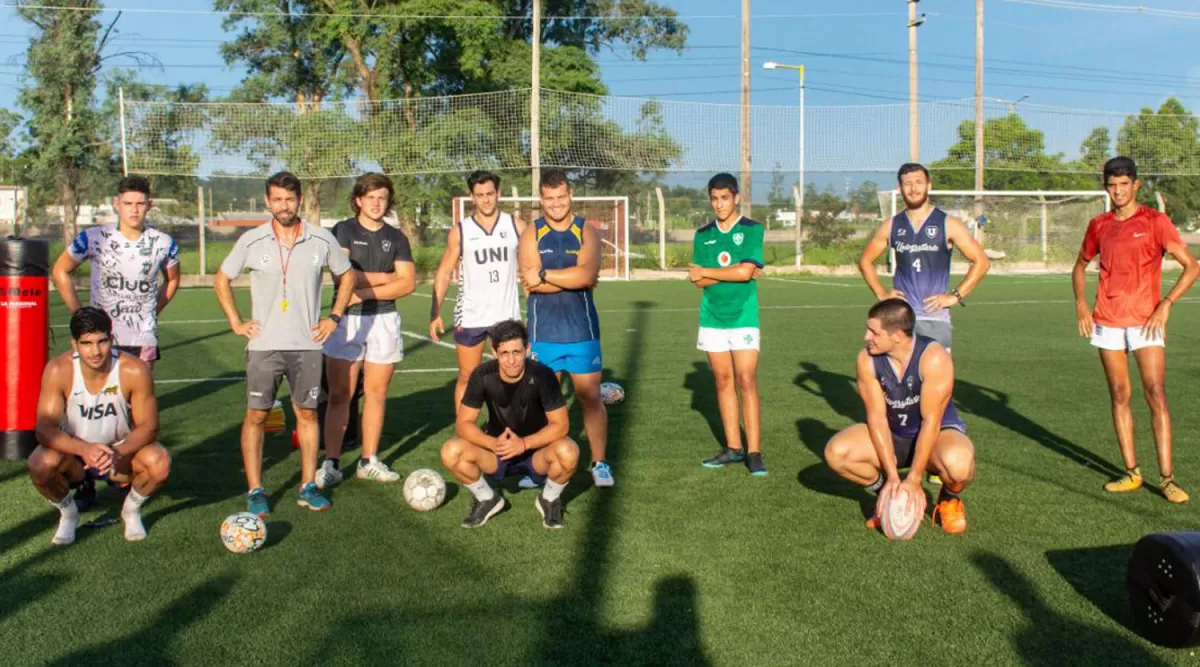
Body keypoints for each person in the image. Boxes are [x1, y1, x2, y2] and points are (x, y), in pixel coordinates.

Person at [214, 171, 355, 515]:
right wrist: (235, 321)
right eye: (277, 199)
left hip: (307, 345)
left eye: (289, 199)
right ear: (267, 202)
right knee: (257, 415)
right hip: (264, 346)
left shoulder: (321, 239)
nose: (283, 206)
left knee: (307, 413)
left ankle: (308, 485)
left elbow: (347, 275)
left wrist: (333, 317)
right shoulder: (251, 240)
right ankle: (256, 490)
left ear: (300, 200)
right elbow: (222, 278)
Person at [1072, 156, 1199, 503]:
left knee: (1156, 393)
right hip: (1107, 321)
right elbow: (1080, 266)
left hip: (1146, 322)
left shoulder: (1156, 222)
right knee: (1118, 395)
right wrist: (1082, 304)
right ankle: (1132, 473)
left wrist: (1166, 303)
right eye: (1112, 186)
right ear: (1106, 187)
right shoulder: (1099, 225)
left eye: (1124, 185)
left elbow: (1191, 267)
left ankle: (1167, 478)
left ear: (1136, 185)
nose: (1118, 191)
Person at [824, 299, 975, 534]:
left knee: (959, 466)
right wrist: (893, 478)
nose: (866, 337)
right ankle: (888, 494)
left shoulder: (933, 358)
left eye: (874, 332)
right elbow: (877, 418)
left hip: (936, 435)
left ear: (897, 336)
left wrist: (915, 478)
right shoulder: (867, 359)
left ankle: (949, 498)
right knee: (837, 453)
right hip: (894, 434)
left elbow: (931, 422)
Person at [28, 307, 171, 545]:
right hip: (76, 458)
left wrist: (118, 451)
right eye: (86, 343)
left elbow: (149, 427)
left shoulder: (134, 369)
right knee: (39, 463)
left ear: (111, 339)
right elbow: (44, 429)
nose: (95, 351)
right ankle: (68, 514)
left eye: (102, 341)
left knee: (160, 462)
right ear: (74, 344)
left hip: (120, 455)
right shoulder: (58, 369)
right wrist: (85, 450)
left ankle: (130, 511)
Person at [316, 173, 416, 489]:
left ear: (388, 202)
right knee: (340, 394)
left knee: (376, 394)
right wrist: (387, 278)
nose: (376, 203)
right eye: (370, 197)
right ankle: (331, 462)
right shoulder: (342, 231)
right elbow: (343, 276)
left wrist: (365, 287)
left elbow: (409, 283)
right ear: (359, 199)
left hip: (385, 320)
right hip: (346, 319)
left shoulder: (397, 237)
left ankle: (368, 460)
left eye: (382, 198)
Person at [518, 169, 612, 488]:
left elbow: (586, 277)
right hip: (543, 333)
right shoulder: (532, 232)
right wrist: (567, 278)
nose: (556, 204)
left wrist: (544, 276)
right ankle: (541, 466)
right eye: (549, 198)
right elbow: (528, 283)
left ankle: (600, 463)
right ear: (542, 199)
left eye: (561, 197)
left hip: (582, 331)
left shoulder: (587, 231)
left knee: (589, 397)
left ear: (570, 195)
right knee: (543, 403)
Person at [440, 320, 579, 529]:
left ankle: (549, 499)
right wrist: (492, 443)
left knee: (569, 451)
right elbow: (464, 423)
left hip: (536, 451)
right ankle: (487, 499)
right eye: (505, 353)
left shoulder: (543, 375)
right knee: (451, 451)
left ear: (527, 349)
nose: (512, 360)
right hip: (498, 451)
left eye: (517, 352)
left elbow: (560, 425)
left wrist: (523, 443)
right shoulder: (482, 375)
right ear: (494, 352)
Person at [857, 163, 990, 354]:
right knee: (890, 378)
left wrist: (955, 296)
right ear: (899, 189)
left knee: (934, 378)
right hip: (899, 319)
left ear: (929, 186)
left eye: (919, 182)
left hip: (934, 317)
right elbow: (865, 261)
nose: (913, 188)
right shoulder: (891, 225)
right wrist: (881, 294)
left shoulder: (948, 223)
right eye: (907, 183)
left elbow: (981, 261)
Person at [52, 175, 181, 366]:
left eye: (140, 203)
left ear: (150, 204)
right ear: (116, 204)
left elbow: (172, 280)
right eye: (128, 203)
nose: (134, 210)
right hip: (101, 338)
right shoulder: (95, 237)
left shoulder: (164, 243)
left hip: (142, 338)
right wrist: (81, 315)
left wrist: (153, 310)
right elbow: (59, 270)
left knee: (140, 394)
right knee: (101, 394)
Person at [690, 173, 768, 476]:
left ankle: (755, 451)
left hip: (743, 316)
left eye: (725, 197)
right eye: (714, 198)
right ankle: (734, 448)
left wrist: (720, 272)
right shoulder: (703, 234)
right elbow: (698, 281)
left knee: (746, 380)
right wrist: (734, 271)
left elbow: (746, 273)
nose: (720, 204)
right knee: (722, 381)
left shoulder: (751, 229)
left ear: (736, 198)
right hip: (711, 316)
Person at [430, 170, 524, 408]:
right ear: (472, 197)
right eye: (480, 195)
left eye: (490, 194)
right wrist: (435, 312)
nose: (485, 199)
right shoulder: (460, 231)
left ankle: (508, 429)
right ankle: (464, 430)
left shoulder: (516, 226)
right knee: (467, 375)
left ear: (498, 194)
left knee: (511, 376)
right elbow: (443, 272)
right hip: (472, 314)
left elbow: (531, 269)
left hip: (507, 315)